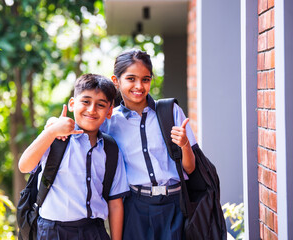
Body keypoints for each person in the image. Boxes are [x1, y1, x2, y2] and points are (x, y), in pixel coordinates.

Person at [19, 73, 130, 240]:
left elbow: (115, 203)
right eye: (85, 102)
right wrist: (51, 131)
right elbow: (24, 166)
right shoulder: (56, 138)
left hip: (94, 231)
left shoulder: (111, 149)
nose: (92, 109)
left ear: (109, 111)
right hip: (52, 231)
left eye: (100, 105)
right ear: (72, 104)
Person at [101, 49, 196, 240]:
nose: (139, 86)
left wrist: (185, 145)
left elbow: (190, 168)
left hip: (175, 205)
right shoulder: (109, 121)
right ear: (116, 81)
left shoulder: (170, 111)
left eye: (145, 79)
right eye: (131, 79)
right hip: (135, 207)